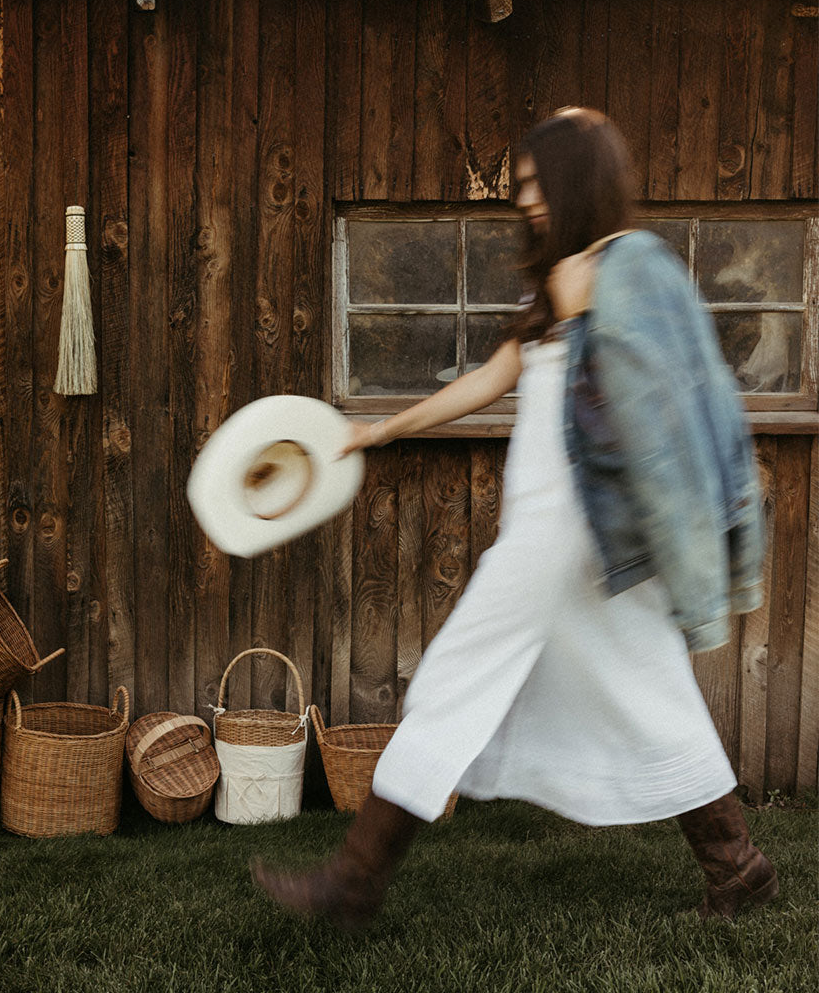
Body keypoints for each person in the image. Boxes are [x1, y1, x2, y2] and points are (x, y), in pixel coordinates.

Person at [251, 107, 778, 930]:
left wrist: (582, 306)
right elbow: (490, 379)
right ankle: (738, 867)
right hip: (578, 539)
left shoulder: (626, 266)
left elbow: (669, 388)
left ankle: (353, 885)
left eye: (536, 182)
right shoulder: (564, 278)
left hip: (565, 532)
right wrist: (378, 431)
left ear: (575, 183)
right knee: (653, 691)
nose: (525, 198)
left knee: (454, 678)